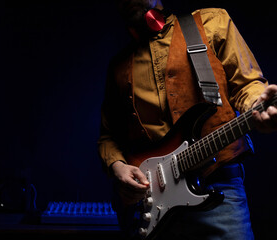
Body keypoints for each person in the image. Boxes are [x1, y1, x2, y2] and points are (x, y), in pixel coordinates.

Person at [98, 0, 277, 239]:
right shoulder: (118, 68)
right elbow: (109, 136)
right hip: (151, 205)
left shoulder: (211, 22)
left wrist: (259, 105)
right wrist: (117, 166)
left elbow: (247, 85)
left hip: (219, 191)